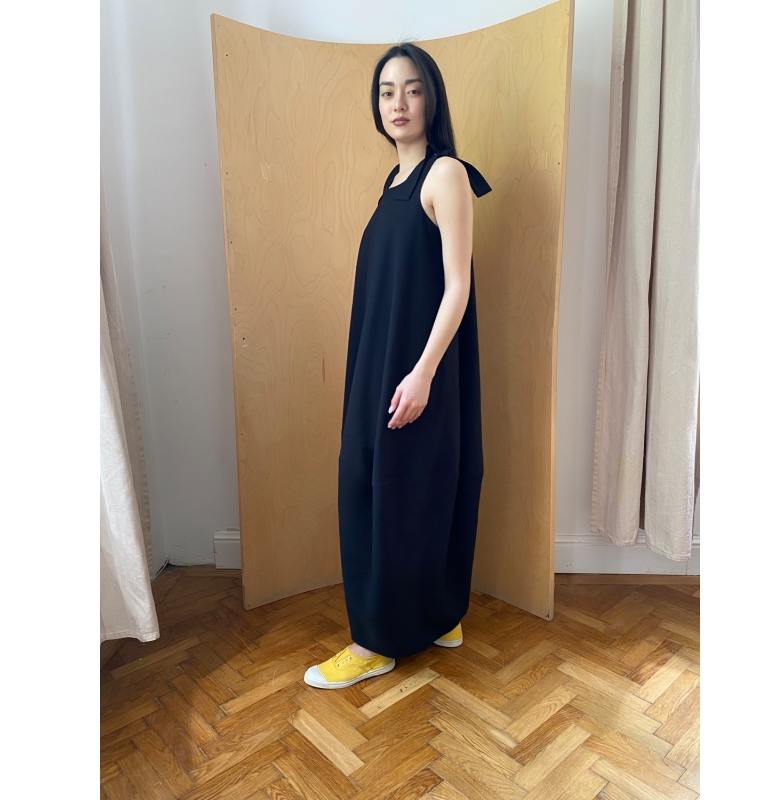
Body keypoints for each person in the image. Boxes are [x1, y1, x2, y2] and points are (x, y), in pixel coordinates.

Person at [304, 42, 492, 690]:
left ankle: (373, 644)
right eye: (387, 91)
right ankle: (439, 616)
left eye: (412, 89)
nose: (399, 103)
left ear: (431, 98)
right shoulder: (393, 182)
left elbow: (458, 286)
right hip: (380, 366)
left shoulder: (446, 175)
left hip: (419, 370)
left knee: (402, 492)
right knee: (403, 489)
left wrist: (423, 373)